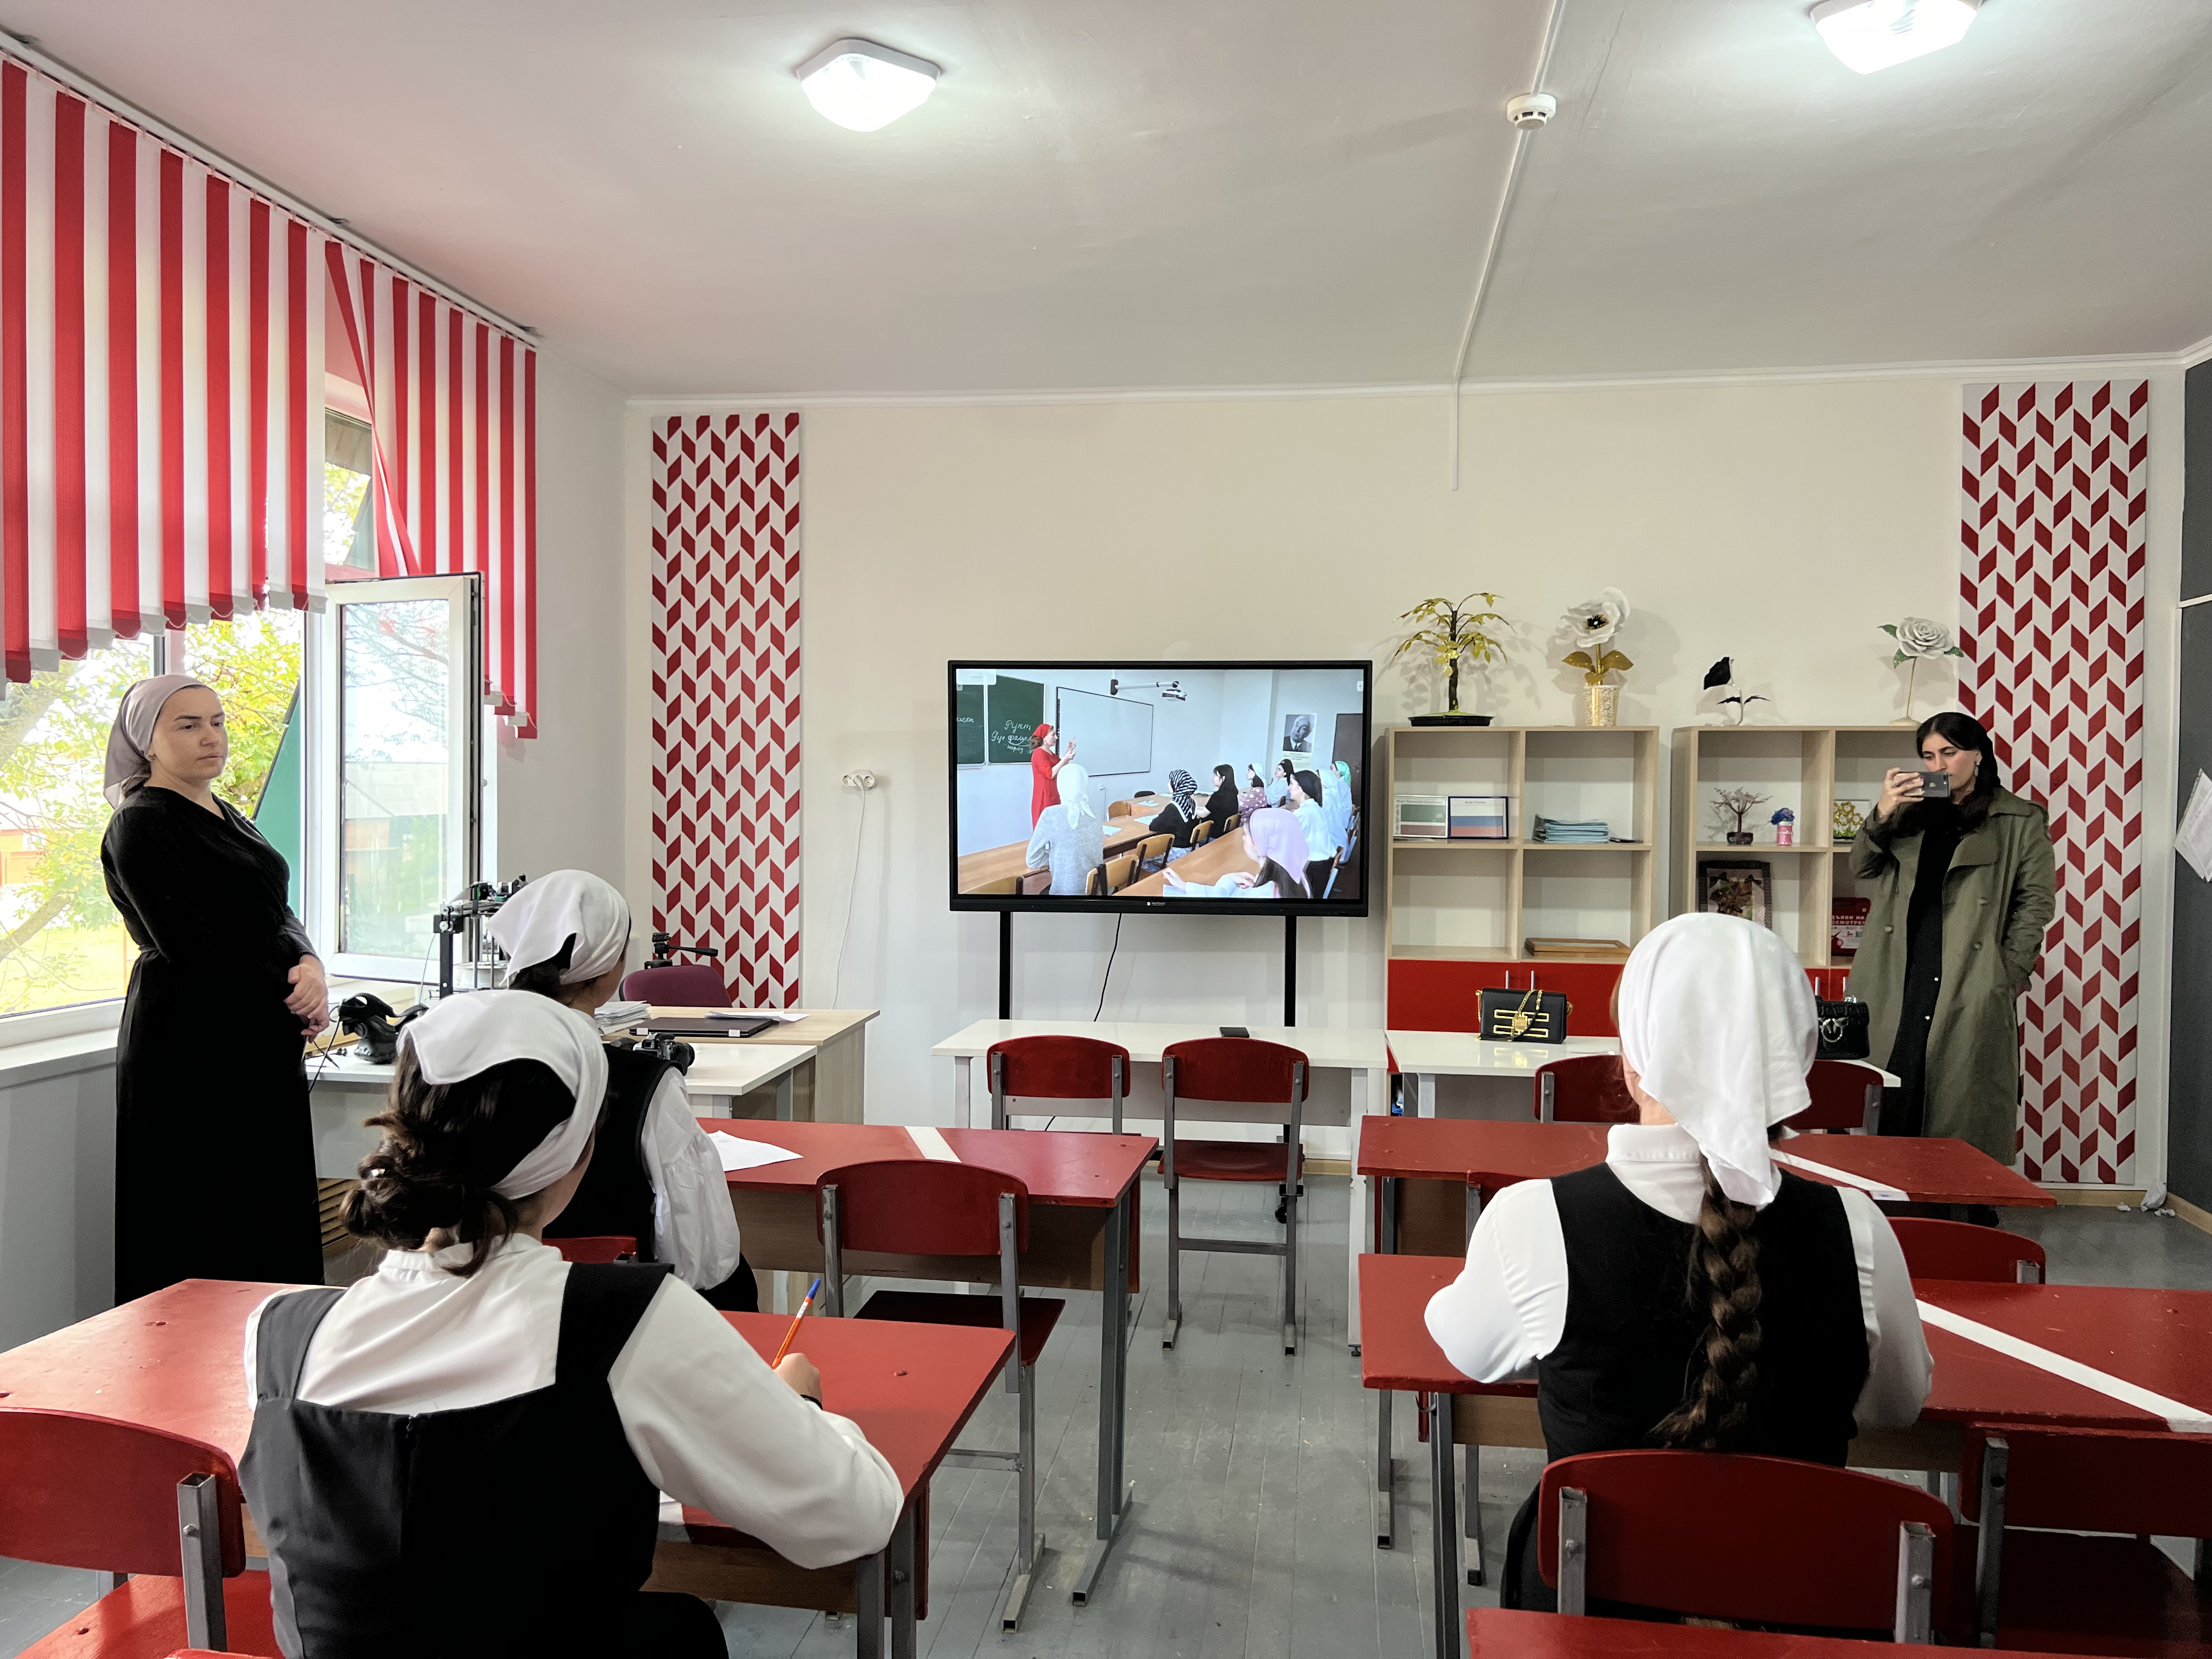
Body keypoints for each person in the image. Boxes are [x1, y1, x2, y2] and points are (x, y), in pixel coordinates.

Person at [239, 991, 900, 1657]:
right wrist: (804, 1408)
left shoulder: (277, 1335)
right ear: (575, 1154)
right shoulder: (624, 1323)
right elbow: (855, 1516)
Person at [1424, 913, 1932, 1614]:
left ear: (1633, 1061)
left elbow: (1469, 1351)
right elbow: (1899, 1404)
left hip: (1589, 1621)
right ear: (1793, 1064)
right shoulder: (1857, 1229)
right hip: (1801, 1619)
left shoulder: (1532, 1219)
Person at [100, 674, 328, 1304]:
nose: (211, 737)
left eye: (218, 722)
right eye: (189, 725)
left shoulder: (228, 814)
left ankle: (274, 1349)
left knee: (268, 1221)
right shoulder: (141, 824)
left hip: (258, 1039)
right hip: (191, 1046)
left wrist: (311, 965)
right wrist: (292, 992)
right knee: (204, 1224)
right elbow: (196, 948)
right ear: (146, 742)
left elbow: (276, 909)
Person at [487, 869, 758, 1311]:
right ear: (611, 967)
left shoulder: (463, 1076)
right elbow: (701, 1258)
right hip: (619, 1307)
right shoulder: (645, 1084)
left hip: (493, 1301)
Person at [1849, 711, 2056, 1163]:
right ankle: (1890, 1193)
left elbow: (2036, 903)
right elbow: (1861, 867)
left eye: (1950, 752)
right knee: (1896, 1085)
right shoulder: (1909, 812)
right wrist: (1883, 811)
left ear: (1978, 754)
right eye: (1928, 756)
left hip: (1967, 968)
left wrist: (2007, 972)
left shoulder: (2019, 819)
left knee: (1957, 1097)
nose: (1939, 765)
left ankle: (1952, 1199)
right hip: (1902, 964)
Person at [1164, 806, 1310, 899]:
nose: (1243, 838)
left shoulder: (1260, 894)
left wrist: (1185, 886)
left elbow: (1218, 898)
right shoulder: (1298, 878)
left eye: (1246, 835)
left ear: (1258, 844)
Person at [1026, 760, 1105, 895]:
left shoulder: (1051, 814)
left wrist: (1058, 859)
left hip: (1064, 894)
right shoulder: (1096, 813)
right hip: (1095, 891)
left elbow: (1033, 860)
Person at [1288, 768, 1336, 898]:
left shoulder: (1303, 813)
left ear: (1301, 788)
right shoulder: (1315, 807)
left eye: (1291, 784)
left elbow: (1289, 843)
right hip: (1321, 868)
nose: (1289, 788)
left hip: (1311, 873)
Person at [1028, 724, 1073, 827]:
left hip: (1053, 794)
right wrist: (1065, 759)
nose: (1056, 738)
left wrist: (1069, 751)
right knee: (1046, 827)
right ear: (1044, 737)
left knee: (1055, 825)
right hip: (1044, 797)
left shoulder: (1049, 752)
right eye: (1053, 735)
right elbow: (1051, 774)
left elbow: (1060, 765)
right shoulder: (1039, 753)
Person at [1147, 769, 1204, 848]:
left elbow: (1153, 827)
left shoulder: (1173, 808)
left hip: (1178, 850)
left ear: (1177, 785)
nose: (1168, 784)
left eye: (1170, 782)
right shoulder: (1192, 802)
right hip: (1193, 846)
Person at [1204, 764, 1242, 831]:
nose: (1213, 778)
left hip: (1215, 832)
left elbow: (1203, 814)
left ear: (1223, 778)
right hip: (1226, 832)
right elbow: (1209, 809)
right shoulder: (1233, 794)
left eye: (1215, 776)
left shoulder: (1218, 796)